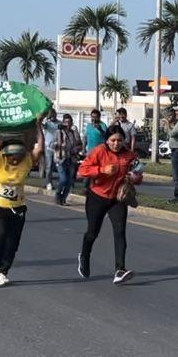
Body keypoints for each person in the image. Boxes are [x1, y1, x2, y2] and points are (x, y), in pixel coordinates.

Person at [0, 116, 45, 287]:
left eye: (18, 155)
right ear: (5, 154)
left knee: (12, 242)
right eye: (11, 156)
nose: (15, 159)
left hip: (18, 207)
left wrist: (38, 126)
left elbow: (39, 149)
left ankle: (3, 272)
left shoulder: (26, 161)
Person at [77, 125, 143, 285]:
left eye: (119, 140)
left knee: (120, 232)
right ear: (107, 140)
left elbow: (139, 174)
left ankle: (120, 270)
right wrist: (102, 170)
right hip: (97, 197)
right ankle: (84, 256)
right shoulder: (99, 151)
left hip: (117, 199)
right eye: (113, 140)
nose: (116, 143)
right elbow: (82, 171)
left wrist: (135, 178)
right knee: (92, 233)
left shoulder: (129, 155)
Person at [53, 113, 82, 206]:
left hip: (71, 159)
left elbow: (80, 145)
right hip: (61, 158)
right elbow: (51, 144)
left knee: (69, 181)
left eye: (69, 122)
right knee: (63, 179)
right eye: (65, 122)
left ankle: (63, 199)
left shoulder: (74, 133)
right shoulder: (59, 132)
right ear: (63, 122)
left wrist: (75, 149)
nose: (67, 124)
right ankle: (58, 194)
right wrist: (58, 145)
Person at [41, 110, 60, 185]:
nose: (52, 117)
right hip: (48, 147)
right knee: (49, 165)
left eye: (53, 115)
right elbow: (42, 125)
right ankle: (48, 182)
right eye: (51, 115)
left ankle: (60, 182)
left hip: (57, 147)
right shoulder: (47, 123)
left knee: (59, 165)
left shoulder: (59, 123)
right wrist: (46, 118)